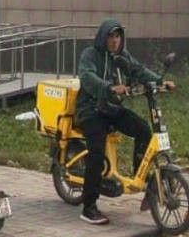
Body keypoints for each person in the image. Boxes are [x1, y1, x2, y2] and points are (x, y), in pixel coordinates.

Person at [74, 18, 176, 225]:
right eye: (111, 36)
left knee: (143, 130)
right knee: (96, 153)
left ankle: (141, 178)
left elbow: (138, 70)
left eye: (118, 36)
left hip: (110, 108)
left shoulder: (122, 56)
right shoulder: (90, 55)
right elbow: (87, 77)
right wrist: (109, 87)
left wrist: (159, 81)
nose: (114, 40)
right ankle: (89, 207)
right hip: (90, 110)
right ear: (103, 37)